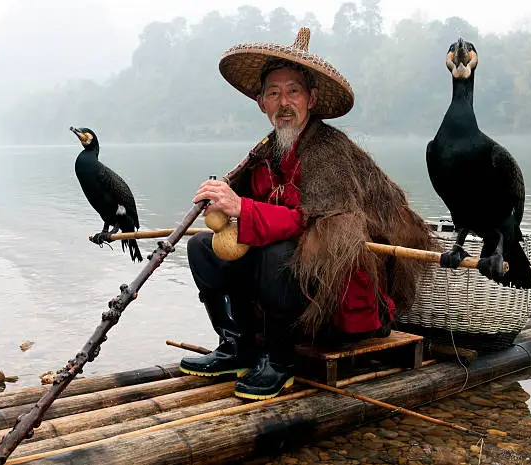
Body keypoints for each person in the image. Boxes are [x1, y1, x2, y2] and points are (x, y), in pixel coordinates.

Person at [179, 27, 436, 400]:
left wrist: (242, 208)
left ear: (311, 99)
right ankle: (238, 347)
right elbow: (246, 216)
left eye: (293, 91)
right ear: (260, 103)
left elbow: (317, 222)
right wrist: (224, 205)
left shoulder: (328, 149)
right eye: (273, 93)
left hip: (338, 308)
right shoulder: (266, 153)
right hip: (289, 296)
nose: (284, 103)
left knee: (278, 252)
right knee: (202, 248)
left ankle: (279, 363)